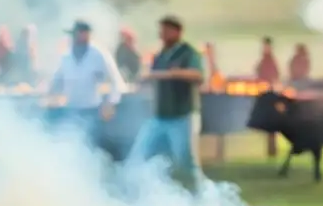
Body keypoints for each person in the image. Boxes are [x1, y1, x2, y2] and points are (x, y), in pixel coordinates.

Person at [128, 15, 205, 188]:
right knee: (139, 156)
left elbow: (197, 75)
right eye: (160, 30)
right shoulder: (160, 55)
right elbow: (153, 77)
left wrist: (170, 74)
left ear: (176, 32)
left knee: (187, 163)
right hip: (159, 116)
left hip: (182, 116)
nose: (161, 34)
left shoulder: (188, 52)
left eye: (165, 30)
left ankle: (201, 199)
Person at [48, 20, 124, 144]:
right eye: (77, 33)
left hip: (92, 111)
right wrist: (50, 93)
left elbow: (117, 81)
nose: (79, 36)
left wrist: (110, 103)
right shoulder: (66, 56)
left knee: (90, 146)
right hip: (70, 110)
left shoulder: (98, 54)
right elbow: (57, 80)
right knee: (69, 144)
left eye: (83, 33)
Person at [255, 37, 281, 157]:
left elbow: (274, 76)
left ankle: (272, 150)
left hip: (269, 93)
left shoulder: (270, 61)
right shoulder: (264, 60)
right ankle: (271, 150)